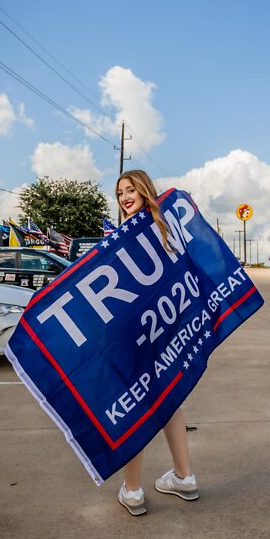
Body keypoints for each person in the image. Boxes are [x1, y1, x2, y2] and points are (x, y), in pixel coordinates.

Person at [112, 170, 199, 516]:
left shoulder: (131, 231)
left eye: (130, 189)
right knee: (169, 400)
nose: (124, 197)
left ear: (145, 190)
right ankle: (184, 476)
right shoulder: (167, 227)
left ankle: (132, 491)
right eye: (120, 193)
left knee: (135, 405)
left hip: (137, 332)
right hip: (165, 329)